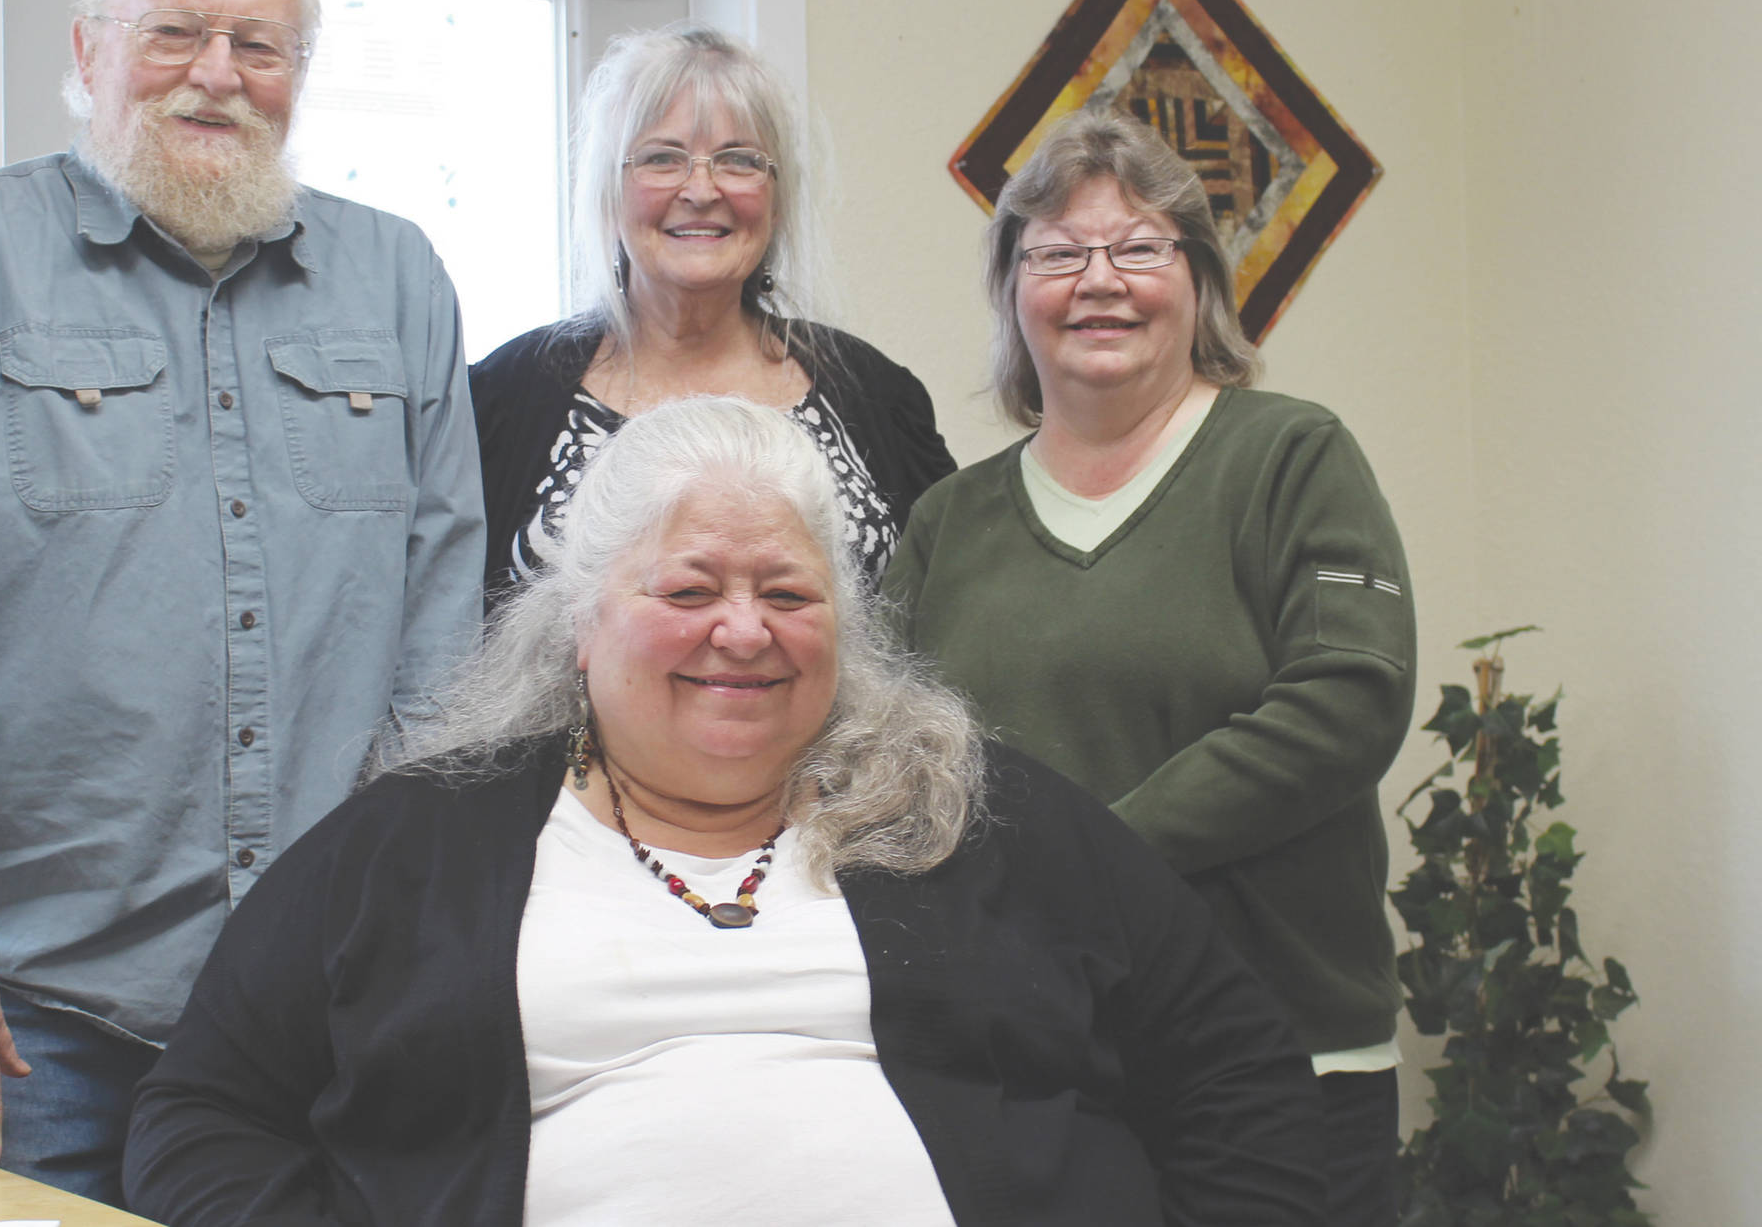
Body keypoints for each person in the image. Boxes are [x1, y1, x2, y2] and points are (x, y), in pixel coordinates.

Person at [124, 395, 1326, 1226]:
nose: (743, 632)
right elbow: (202, 1117)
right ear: (584, 622)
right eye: (689, 589)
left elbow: (1243, 1078)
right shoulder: (416, 842)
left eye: (788, 593)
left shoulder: (975, 814)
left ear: (842, 629)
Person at [0, 0, 483, 1207]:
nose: (217, 75)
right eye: (175, 33)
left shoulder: (400, 284)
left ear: (297, 72)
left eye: (258, 45)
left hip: (325, 1012)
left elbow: (439, 665)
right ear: (89, 47)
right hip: (34, 1016)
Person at [884, 107, 1416, 1227]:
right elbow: (885, 760)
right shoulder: (946, 523)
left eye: (1138, 248)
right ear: (1011, 291)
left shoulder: (1289, 457)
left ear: (1199, 280)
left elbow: (1344, 701)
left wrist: (1095, 860)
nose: (1099, 283)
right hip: (1035, 1070)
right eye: (1058, 253)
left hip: (1283, 1054)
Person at [469, 22, 953, 604]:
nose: (701, 189)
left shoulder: (876, 395)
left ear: (776, 199)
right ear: (609, 193)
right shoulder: (504, 398)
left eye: (739, 160)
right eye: (662, 158)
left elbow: (944, 616)